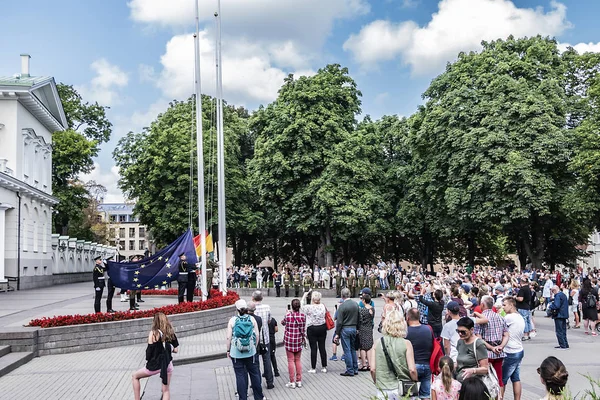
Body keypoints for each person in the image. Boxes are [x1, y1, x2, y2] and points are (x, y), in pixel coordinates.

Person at [371, 310, 418, 400]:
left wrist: (377, 381)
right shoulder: (407, 343)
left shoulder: (377, 343)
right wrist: (415, 380)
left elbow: (373, 369)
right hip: (402, 388)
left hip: (383, 388)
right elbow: (412, 369)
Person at [132, 312, 179, 400]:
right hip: (167, 365)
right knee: (166, 390)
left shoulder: (153, 333)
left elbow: (149, 353)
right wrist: (169, 347)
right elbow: (176, 350)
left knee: (135, 376)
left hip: (155, 365)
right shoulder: (170, 332)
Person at [226, 299, 264, 400]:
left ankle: (243, 397)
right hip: (250, 352)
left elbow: (228, 337)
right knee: (254, 374)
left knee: (240, 376)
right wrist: (254, 347)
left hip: (236, 352)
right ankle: (258, 397)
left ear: (237, 309)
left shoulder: (232, 320)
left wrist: (228, 350)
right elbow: (257, 335)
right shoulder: (252, 319)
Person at [474, 295, 508, 388]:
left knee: (485, 380)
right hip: (499, 352)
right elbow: (506, 335)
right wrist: (501, 346)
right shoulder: (500, 317)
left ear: (482, 305)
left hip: (485, 353)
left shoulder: (481, 319)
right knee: (499, 379)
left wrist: (491, 348)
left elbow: (479, 338)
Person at [500, 296, 525, 400]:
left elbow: (499, 327)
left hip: (510, 351)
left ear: (511, 305)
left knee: (502, 380)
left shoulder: (509, 317)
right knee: (515, 378)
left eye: (504, 305)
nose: (503, 308)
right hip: (519, 350)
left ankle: (500, 398)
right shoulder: (519, 316)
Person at [406, 308, 434, 399]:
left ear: (408, 318)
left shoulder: (406, 332)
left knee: (411, 395)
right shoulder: (428, 329)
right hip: (426, 365)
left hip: (412, 367)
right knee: (425, 395)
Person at [454, 317, 490, 385]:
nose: (460, 334)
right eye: (458, 331)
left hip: (472, 385)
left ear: (472, 330)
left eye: (463, 332)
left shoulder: (478, 344)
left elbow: (485, 368)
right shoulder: (460, 341)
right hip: (460, 382)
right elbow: (459, 361)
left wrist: (473, 370)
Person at [251, 291, 275, 389]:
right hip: (265, 338)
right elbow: (269, 320)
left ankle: (256, 383)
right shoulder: (267, 307)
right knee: (267, 360)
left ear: (253, 298)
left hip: (255, 339)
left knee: (255, 361)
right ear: (262, 298)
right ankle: (270, 382)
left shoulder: (251, 308)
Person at [301, 289, 328, 374]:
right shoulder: (323, 306)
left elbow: (301, 305)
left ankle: (313, 367)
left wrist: (304, 296)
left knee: (313, 348)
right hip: (322, 327)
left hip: (312, 328)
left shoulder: (309, 307)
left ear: (312, 299)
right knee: (322, 347)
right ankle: (324, 367)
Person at [334, 287, 360, 377]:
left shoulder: (342, 306)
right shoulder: (356, 304)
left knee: (347, 350)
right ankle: (355, 368)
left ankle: (350, 370)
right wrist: (358, 328)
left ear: (342, 296)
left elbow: (339, 321)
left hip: (345, 329)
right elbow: (359, 317)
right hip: (354, 328)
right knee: (353, 349)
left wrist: (337, 333)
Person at [282, 298, 306, 389]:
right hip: (298, 340)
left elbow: (283, 323)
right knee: (298, 360)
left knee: (290, 360)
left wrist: (287, 313)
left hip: (289, 341)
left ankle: (292, 381)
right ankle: (299, 380)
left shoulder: (288, 315)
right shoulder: (303, 316)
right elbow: (303, 328)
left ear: (292, 306)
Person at [358, 292, 375, 371]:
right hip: (369, 328)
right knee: (369, 347)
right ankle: (370, 364)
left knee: (362, 347)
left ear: (364, 300)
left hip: (362, 329)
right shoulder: (372, 309)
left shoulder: (362, 310)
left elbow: (360, 320)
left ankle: (364, 364)